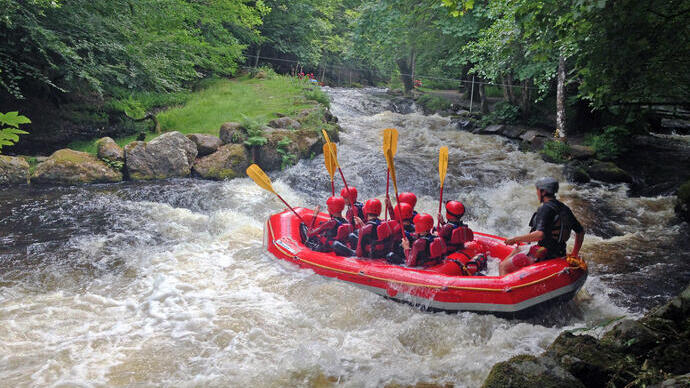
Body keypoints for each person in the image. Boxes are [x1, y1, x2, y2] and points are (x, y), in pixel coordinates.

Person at [500, 177, 585, 276]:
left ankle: (503, 283)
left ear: (543, 192)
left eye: (538, 190)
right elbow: (580, 231)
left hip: (544, 255)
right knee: (517, 250)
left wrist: (515, 239)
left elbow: (540, 235)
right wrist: (574, 253)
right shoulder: (564, 208)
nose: (537, 193)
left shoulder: (545, 208)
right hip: (560, 253)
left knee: (503, 267)